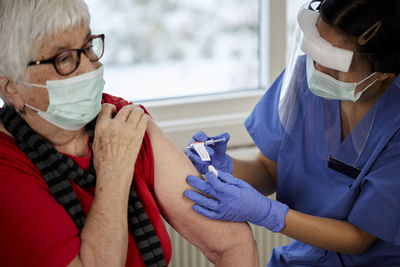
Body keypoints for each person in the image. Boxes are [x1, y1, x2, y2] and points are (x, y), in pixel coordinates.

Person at [0, 1, 260, 266]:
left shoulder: (120, 120)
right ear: (12, 88)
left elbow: (232, 243)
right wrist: (114, 172)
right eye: (64, 59)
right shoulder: (6, 168)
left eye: (88, 46)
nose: (91, 68)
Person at [184, 0, 400, 266]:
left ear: (382, 72)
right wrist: (225, 167)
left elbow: (359, 237)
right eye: (315, 51)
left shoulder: (396, 124)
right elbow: (269, 170)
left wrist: (269, 213)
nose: (318, 69)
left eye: (334, 62)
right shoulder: (304, 81)